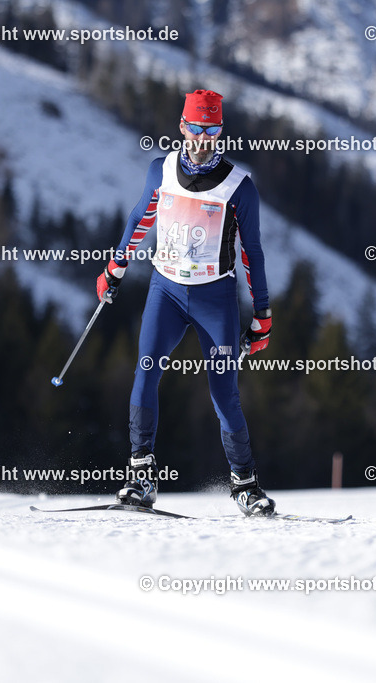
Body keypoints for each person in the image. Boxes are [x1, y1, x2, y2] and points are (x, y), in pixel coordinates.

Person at [95, 89, 274, 516]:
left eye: (211, 129)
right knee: (146, 373)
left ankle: (245, 485)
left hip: (215, 298)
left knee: (223, 394)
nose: (202, 138)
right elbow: (140, 218)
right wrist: (114, 267)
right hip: (167, 292)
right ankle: (140, 475)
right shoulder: (161, 171)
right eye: (195, 128)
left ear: (220, 131)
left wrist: (262, 313)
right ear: (181, 127)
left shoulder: (239, 188)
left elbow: (253, 253)